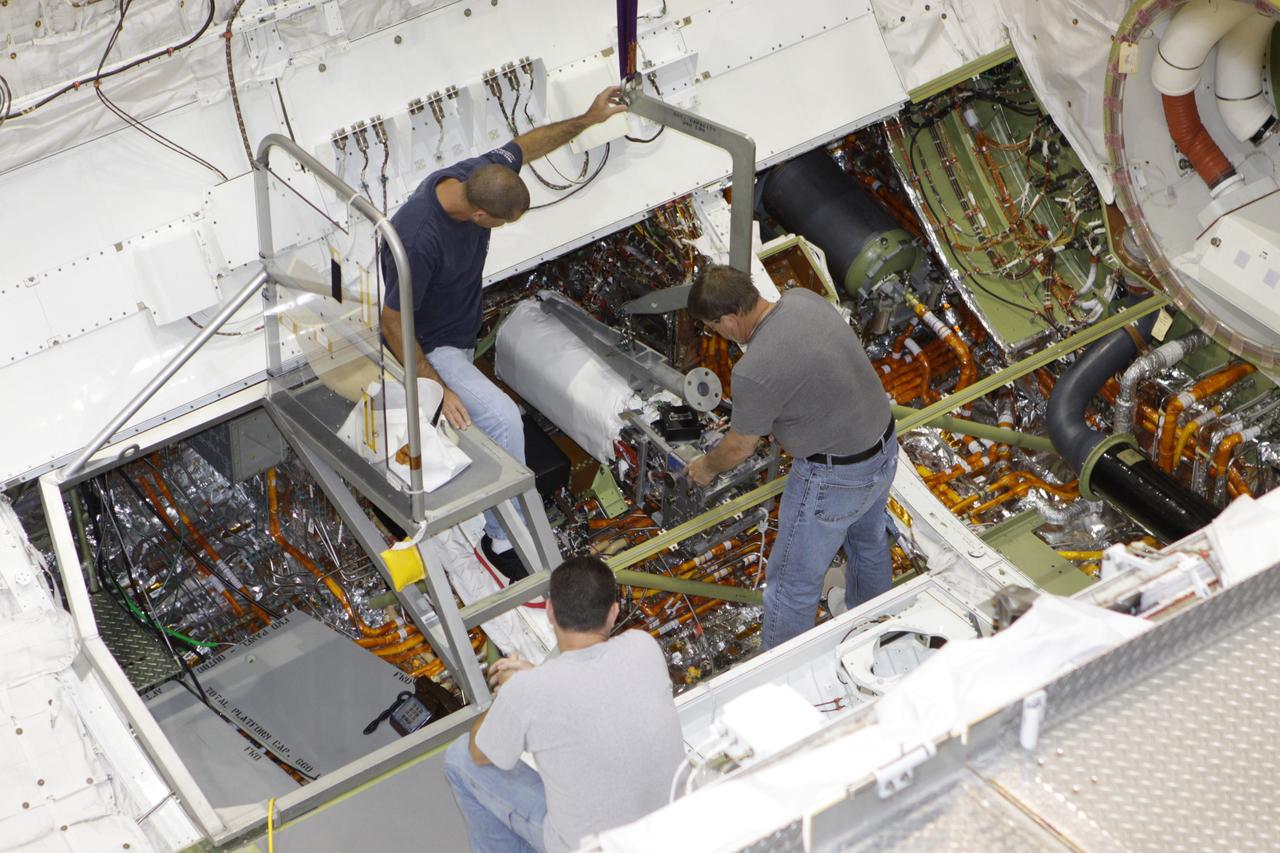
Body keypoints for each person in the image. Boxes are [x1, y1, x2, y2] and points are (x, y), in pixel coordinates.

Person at [380, 88, 626, 580]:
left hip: (460, 338)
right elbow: (392, 323)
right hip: (433, 346)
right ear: (479, 216)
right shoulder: (417, 239)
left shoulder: (480, 175)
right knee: (502, 419)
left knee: (495, 417)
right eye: (500, 225)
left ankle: (505, 520)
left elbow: (527, 145)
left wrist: (588, 117)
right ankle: (501, 539)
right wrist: (438, 386)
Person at [685, 266, 897, 649]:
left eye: (713, 326)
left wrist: (704, 468)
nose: (717, 334)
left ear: (730, 319)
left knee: (791, 585)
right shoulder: (803, 299)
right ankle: (875, 628)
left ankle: (783, 677)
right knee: (868, 542)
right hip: (883, 450)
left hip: (835, 479)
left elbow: (741, 446)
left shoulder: (752, 369)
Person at [443, 555, 683, 852]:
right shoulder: (643, 646)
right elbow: (589, 688)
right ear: (613, 612)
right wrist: (535, 679)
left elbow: (479, 752)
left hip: (590, 847)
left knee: (457, 759)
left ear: (550, 611)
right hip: (670, 833)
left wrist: (510, 693)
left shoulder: (527, 693)